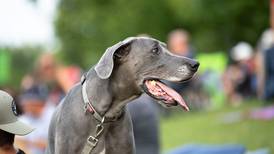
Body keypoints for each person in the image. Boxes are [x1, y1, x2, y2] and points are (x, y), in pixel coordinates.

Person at [15, 86, 55, 154]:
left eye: (28, 100)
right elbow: (17, 142)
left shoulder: (54, 115)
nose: (24, 103)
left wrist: (29, 142)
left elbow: (57, 144)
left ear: (39, 102)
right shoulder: (24, 119)